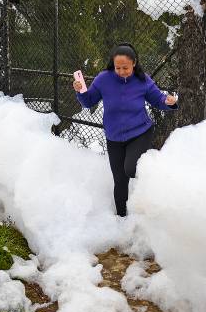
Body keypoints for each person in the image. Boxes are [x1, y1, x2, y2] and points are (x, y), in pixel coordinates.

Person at [74, 42, 177, 217]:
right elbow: (88, 101)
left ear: (134, 63)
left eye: (126, 68)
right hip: (114, 137)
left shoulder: (142, 80)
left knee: (130, 169)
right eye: (118, 68)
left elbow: (158, 99)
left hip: (140, 132)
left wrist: (168, 102)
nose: (121, 71)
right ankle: (121, 219)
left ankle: (158, 185)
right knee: (120, 181)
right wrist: (81, 91)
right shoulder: (103, 79)